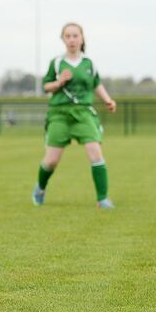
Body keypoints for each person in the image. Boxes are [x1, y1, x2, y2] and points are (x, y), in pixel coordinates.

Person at [32, 22, 117, 209]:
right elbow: (46, 86)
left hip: (83, 112)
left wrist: (108, 100)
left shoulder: (89, 63)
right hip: (59, 113)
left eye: (75, 35)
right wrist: (59, 81)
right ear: (63, 39)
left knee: (95, 153)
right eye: (68, 36)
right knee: (52, 160)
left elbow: (96, 84)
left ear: (82, 38)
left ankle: (102, 199)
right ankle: (40, 188)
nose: (72, 39)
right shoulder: (56, 63)